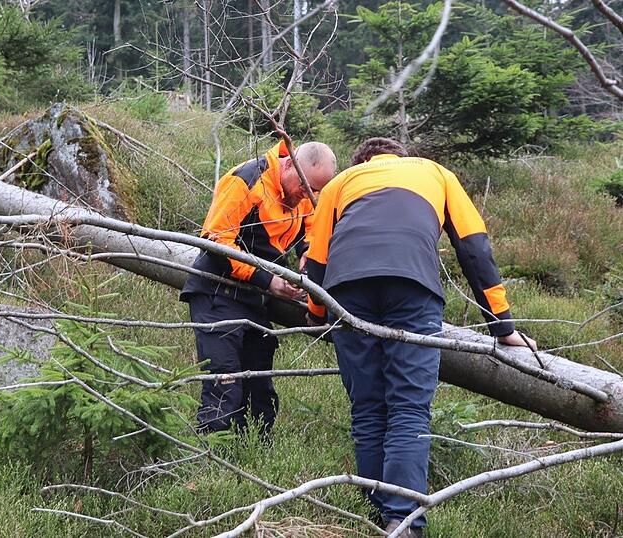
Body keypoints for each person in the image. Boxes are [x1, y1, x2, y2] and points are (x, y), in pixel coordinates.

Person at [303, 137, 536, 536]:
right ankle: (403, 522)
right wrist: (503, 326)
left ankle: (375, 514)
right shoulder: (435, 173)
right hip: (412, 286)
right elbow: (474, 248)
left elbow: (318, 256)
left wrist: (317, 313)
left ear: (363, 160)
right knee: (408, 407)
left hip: (348, 291)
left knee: (367, 408)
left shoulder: (342, 181)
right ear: (400, 156)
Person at [180, 139, 337, 437]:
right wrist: (269, 281)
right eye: (305, 187)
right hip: (218, 292)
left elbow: (314, 236)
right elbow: (214, 241)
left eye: (316, 191)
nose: (308, 195)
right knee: (224, 387)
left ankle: (252, 462)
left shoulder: (305, 195)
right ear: (289, 164)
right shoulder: (247, 179)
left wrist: (307, 266)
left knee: (260, 395)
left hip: (255, 301)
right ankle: (209, 469)